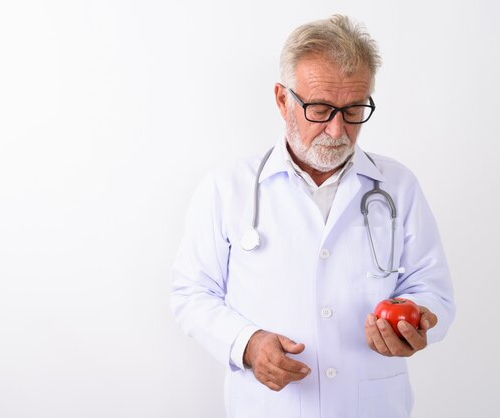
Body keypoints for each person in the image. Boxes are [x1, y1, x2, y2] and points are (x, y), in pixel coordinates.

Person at [170, 14, 455, 418]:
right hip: (270, 407)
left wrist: (417, 320)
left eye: (354, 110)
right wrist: (247, 343)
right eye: (320, 108)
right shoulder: (226, 188)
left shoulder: (398, 185)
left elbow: (433, 289)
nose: (338, 131)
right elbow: (191, 293)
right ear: (283, 99)